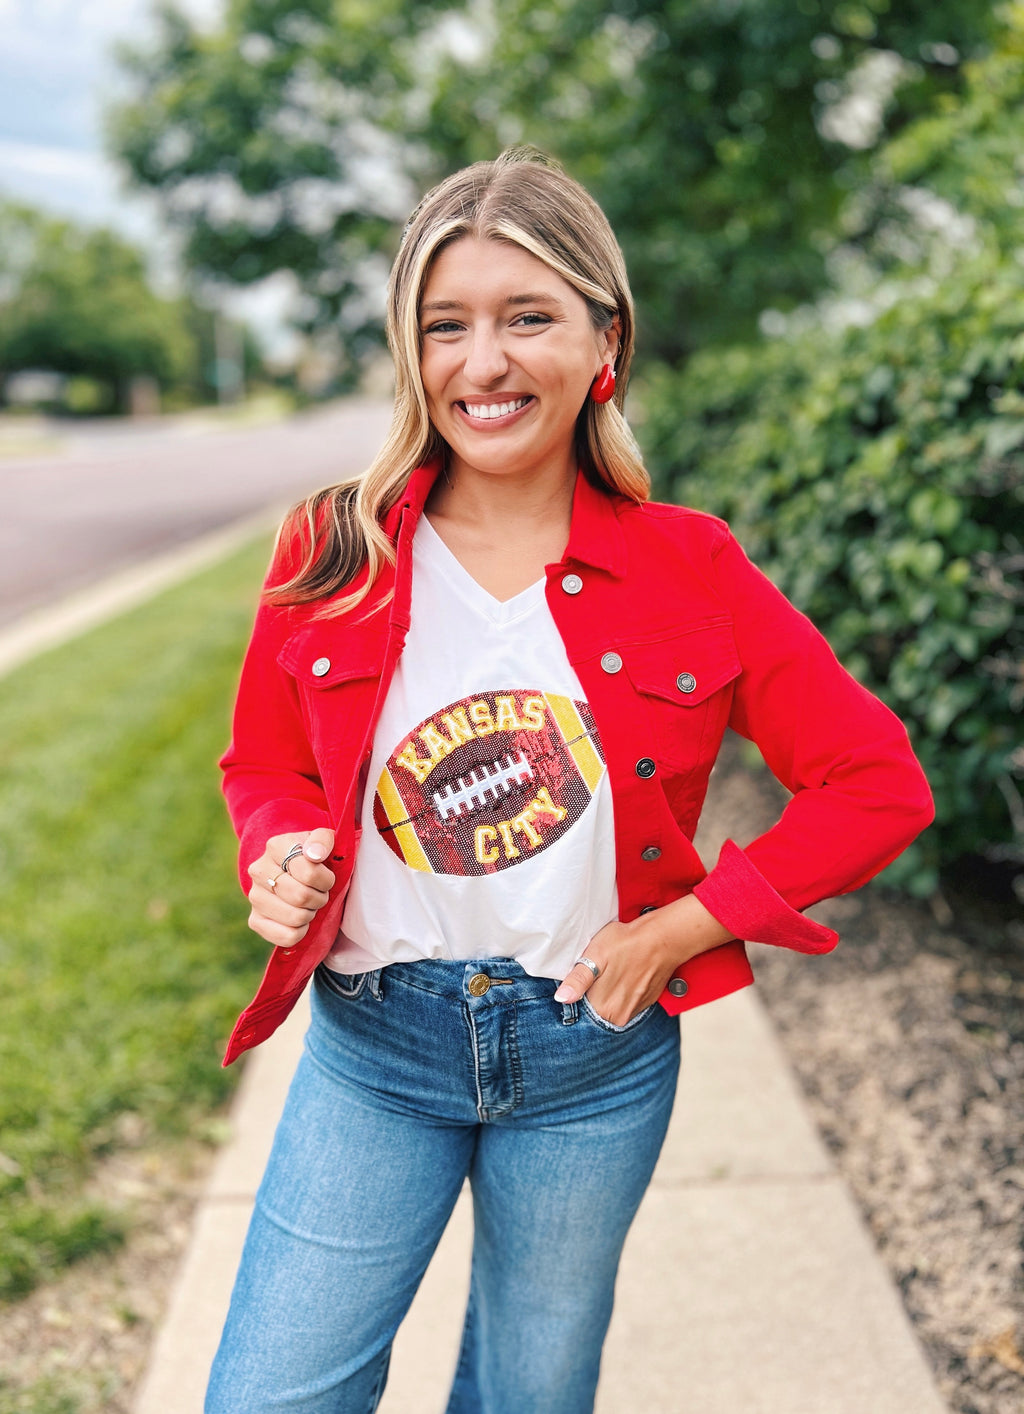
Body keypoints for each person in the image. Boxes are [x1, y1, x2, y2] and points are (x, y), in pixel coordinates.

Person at [205, 149, 934, 1414]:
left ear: (606, 339)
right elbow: (263, 760)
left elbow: (875, 781)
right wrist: (273, 850)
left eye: (526, 317)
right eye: (446, 326)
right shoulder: (334, 548)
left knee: (530, 1392)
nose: (481, 363)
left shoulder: (689, 564)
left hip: (590, 1056)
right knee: (272, 1394)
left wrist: (688, 926)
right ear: (409, 351)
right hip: (378, 1043)